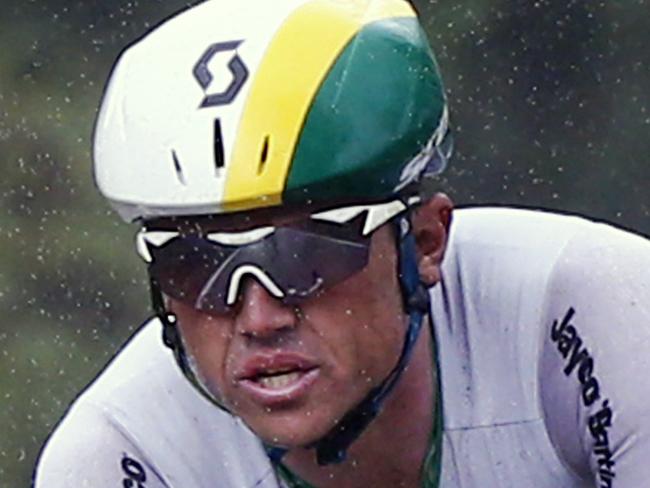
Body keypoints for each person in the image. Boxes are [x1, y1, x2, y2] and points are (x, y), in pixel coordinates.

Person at [34, 0, 650, 487]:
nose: (259, 316)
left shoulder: (607, 311)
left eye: (306, 256)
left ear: (426, 242)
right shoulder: (119, 453)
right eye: (197, 267)